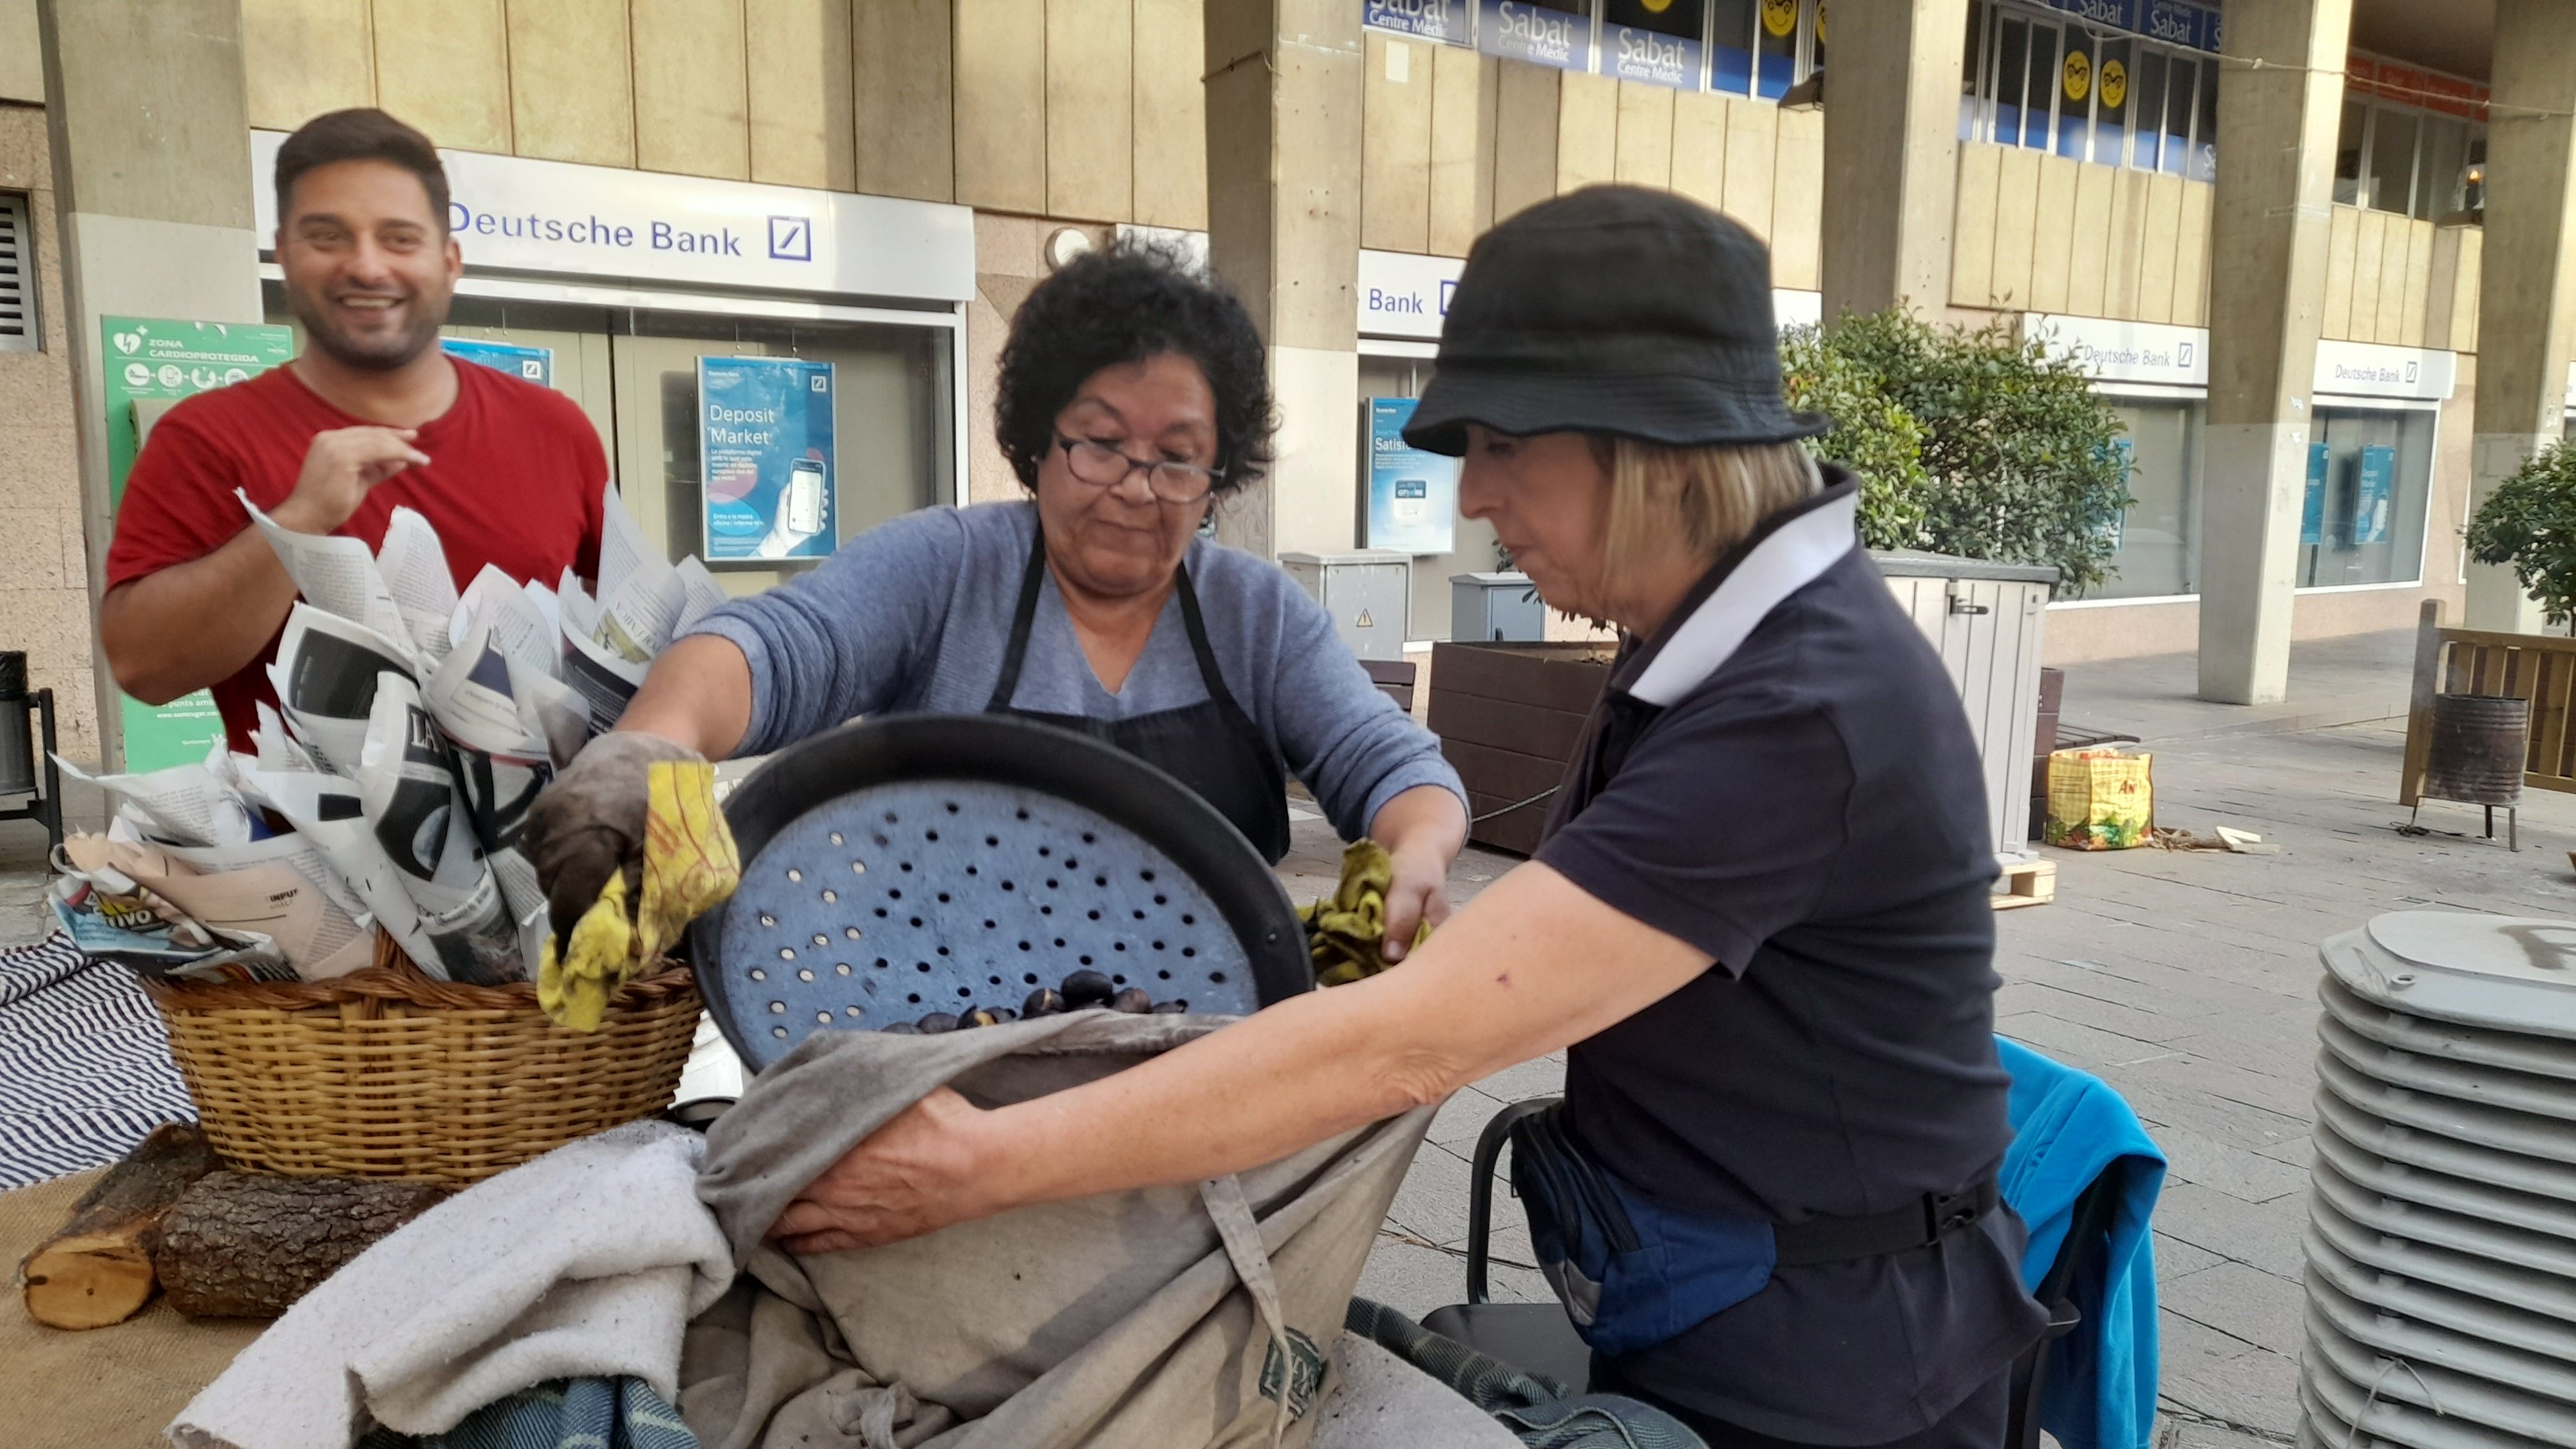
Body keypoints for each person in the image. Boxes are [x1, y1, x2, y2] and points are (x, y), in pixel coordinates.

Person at [757, 189, 2049, 1449]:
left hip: (1833, 1367)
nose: (1474, 498)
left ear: (1641, 444)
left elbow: (1400, 1049)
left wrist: (975, 1164)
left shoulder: (1794, 710)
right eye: (1098, 445)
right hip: (1702, 1292)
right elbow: (787, 641)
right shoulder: (1698, 645)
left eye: (1497, 448)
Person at [526, 243, 1466, 960]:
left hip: (1199, 1028)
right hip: (931, 1005)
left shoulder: (1255, 614)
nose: (1138, 487)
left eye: (1178, 457)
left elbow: (1389, 763)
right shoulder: (947, 567)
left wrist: (1416, 850)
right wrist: (652, 747)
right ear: (1036, 441)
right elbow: (772, 647)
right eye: (1100, 443)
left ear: (1218, 475)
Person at [102, 108, 607, 755]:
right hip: (303, 854)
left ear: (450, 261)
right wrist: (300, 520)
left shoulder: (555, 429)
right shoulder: (206, 439)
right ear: (283, 252)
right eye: (327, 236)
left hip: (546, 846)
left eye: (399, 238)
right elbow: (143, 668)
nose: (367, 267)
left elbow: (609, 633)